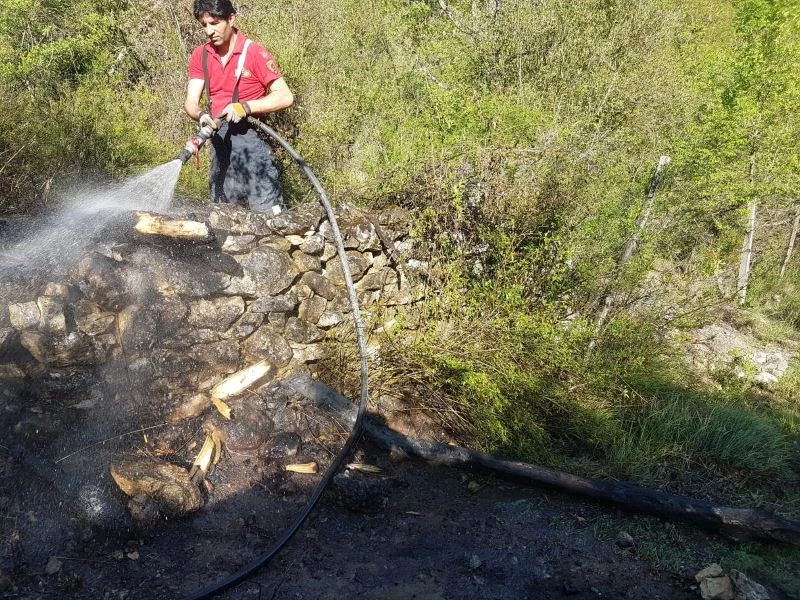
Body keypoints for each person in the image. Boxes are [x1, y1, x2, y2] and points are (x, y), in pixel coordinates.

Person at [184, 0, 294, 213]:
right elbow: (190, 102)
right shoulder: (201, 55)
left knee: (268, 218)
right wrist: (201, 115)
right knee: (222, 218)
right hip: (220, 145)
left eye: (214, 23)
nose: (209, 31)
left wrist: (246, 107)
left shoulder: (254, 53)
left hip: (253, 144)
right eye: (204, 25)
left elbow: (285, 96)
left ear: (231, 18)